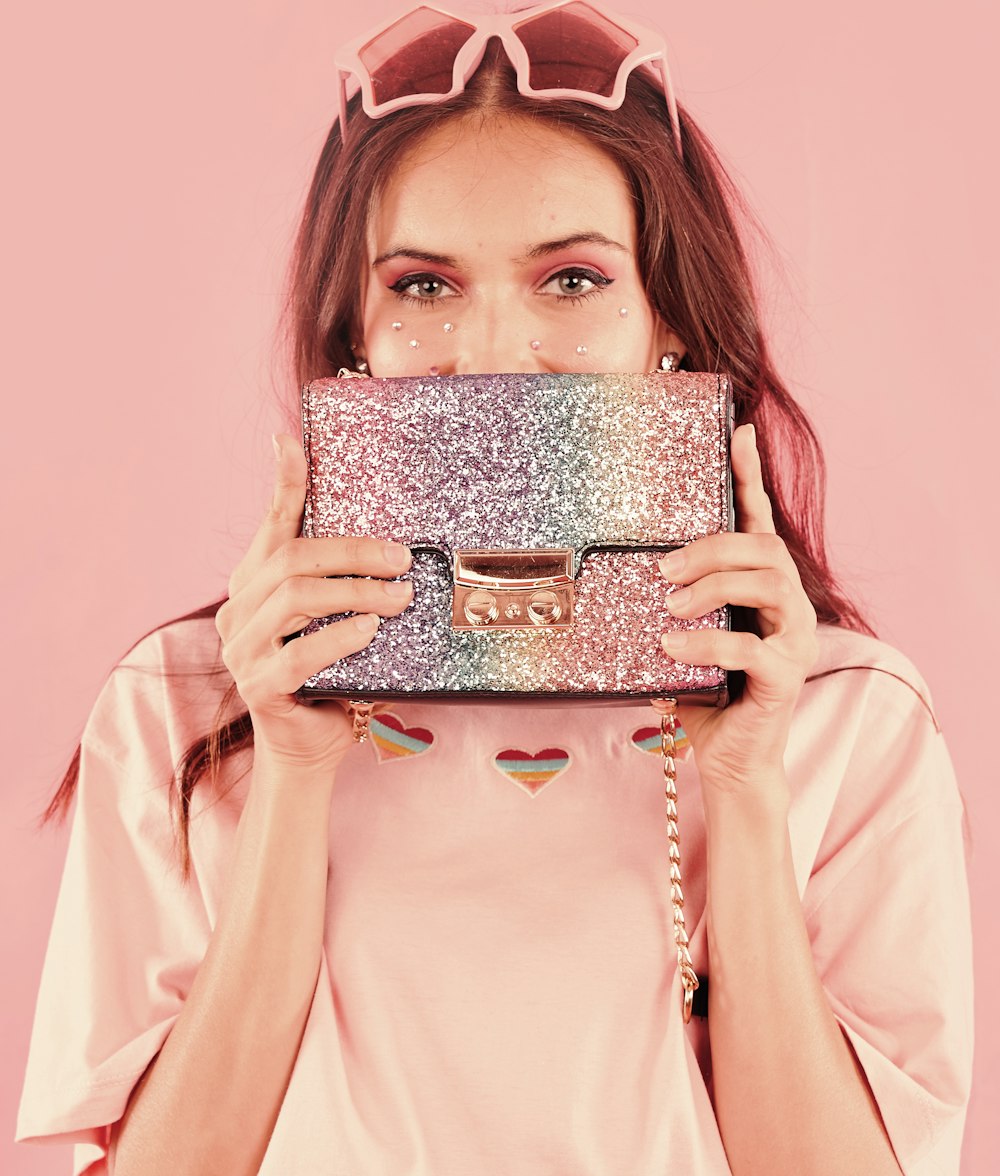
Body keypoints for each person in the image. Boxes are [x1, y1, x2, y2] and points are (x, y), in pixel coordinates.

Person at [16, 3, 972, 1173]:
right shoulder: (184, 704)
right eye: (422, 286)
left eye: (570, 279)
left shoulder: (847, 717)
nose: (492, 345)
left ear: (666, 319)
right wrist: (293, 771)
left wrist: (749, 786)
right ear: (352, 332)